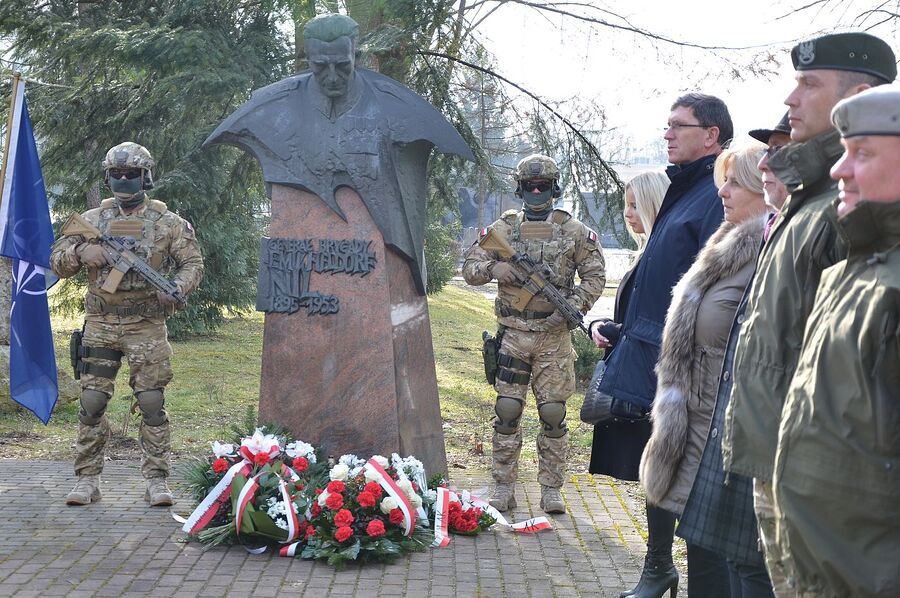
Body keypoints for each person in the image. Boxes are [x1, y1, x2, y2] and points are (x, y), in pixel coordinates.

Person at [720, 32, 896, 594]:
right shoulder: (810, 198)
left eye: (808, 83)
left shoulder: (840, 209)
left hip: (839, 492)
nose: (791, 99)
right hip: (785, 459)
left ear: (858, 94)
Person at [206, 12, 473, 296]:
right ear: (306, 58)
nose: (332, 77)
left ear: (355, 56)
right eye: (320, 66)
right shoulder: (269, 106)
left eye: (342, 65)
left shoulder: (395, 106)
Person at [596, 93, 731, 598]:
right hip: (651, 353)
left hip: (689, 363)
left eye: (680, 126)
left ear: (711, 135)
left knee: (689, 475)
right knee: (660, 463)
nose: (668, 133)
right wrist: (623, 329)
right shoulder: (685, 189)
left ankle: (688, 580)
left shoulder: (716, 193)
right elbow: (661, 280)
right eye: (667, 125)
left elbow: (708, 289)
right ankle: (658, 570)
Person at [772, 84, 900, 598]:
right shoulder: (852, 270)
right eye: (842, 152)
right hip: (822, 570)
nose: (839, 170)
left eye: (862, 154)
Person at [639, 141, 768, 597]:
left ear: (764, 187)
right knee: (703, 555)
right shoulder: (726, 243)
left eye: (734, 182)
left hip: (726, 430)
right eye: (723, 181)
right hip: (698, 423)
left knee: (726, 566)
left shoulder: (764, 253)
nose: (723, 192)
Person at [50, 142, 204, 507]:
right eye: (116, 174)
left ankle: (157, 480)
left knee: (151, 402)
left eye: (131, 174)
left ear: (145, 177)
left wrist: (177, 288)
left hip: (146, 325)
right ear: (107, 177)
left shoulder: (168, 223)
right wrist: (79, 252)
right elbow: (56, 260)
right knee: (91, 401)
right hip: (101, 322)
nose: (123, 180)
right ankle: (87, 479)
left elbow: (193, 264)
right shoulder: (92, 221)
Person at [462, 154, 606, 515]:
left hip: (554, 338)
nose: (537, 192)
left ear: (555, 188)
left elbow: (595, 277)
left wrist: (570, 306)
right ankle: (503, 486)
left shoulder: (574, 231)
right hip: (513, 333)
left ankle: (551, 490)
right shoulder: (504, 228)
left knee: (554, 414)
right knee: (507, 410)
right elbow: (470, 268)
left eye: (543, 186)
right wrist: (496, 267)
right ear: (521, 188)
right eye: (530, 186)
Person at [586, 171, 668, 482]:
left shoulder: (659, 257)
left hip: (647, 379)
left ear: (653, 205)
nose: (627, 213)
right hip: (635, 372)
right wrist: (604, 325)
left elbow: (657, 320)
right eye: (626, 205)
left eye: (635, 205)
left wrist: (615, 332)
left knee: (653, 471)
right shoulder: (645, 254)